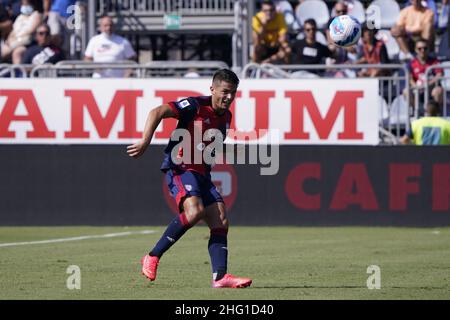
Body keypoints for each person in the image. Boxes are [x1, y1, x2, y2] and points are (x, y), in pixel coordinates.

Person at [126, 69, 252, 289]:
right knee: (195, 212)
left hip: (202, 173)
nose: (229, 98)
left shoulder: (226, 117)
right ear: (212, 89)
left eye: (233, 93)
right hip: (181, 167)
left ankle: (220, 277)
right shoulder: (194, 105)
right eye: (224, 92)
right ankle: (152, 256)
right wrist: (145, 141)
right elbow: (157, 111)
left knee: (221, 220)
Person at [407, 38, 443, 115]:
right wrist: (415, 86)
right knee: (406, 92)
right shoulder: (411, 63)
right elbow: (409, 78)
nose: (422, 50)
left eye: (425, 48)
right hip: (417, 88)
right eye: (419, 48)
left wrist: (427, 85)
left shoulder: (434, 61)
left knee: (438, 91)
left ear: (428, 49)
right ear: (415, 50)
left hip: (431, 88)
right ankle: (417, 112)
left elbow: (439, 75)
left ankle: (435, 113)